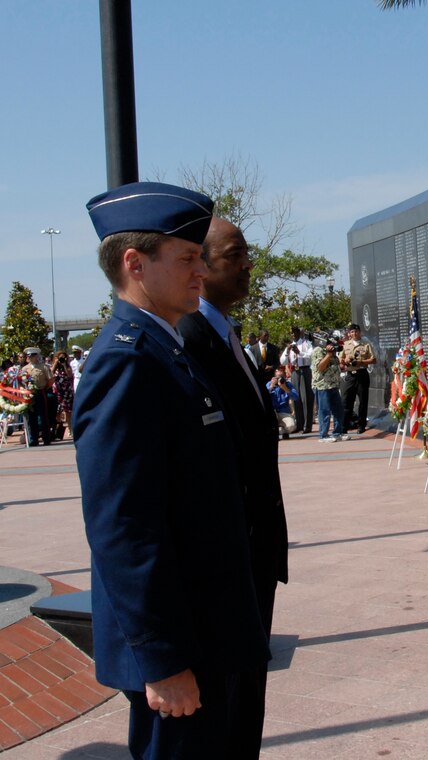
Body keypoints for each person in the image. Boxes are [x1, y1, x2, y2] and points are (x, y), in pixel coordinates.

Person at [76, 181, 268, 758]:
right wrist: (161, 660)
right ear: (135, 264)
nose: (200, 272)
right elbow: (123, 527)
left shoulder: (167, 350)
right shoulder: (126, 363)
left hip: (211, 630)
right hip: (182, 648)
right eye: (186, 259)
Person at [176, 216, 289, 756]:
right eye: (235, 253)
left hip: (253, 556)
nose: (248, 264)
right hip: (227, 561)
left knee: (247, 711)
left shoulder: (225, 331)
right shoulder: (190, 340)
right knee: (225, 718)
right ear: (200, 265)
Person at [339, 323, 375, 433]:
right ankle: (344, 426)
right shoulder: (346, 344)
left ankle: (361, 425)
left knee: (363, 401)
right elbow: (340, 361)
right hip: (350, 375)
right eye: (351, 332)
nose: (354, 333)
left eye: (356, 331)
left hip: (362, 373)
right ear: (349, 333)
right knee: (346, 401)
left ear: (360, 332)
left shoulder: (366, 344)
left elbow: (373, 360)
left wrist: (360, 362)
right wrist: (345, 361)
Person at [279, 326, 313, 433]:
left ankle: (307, 425)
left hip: (305, 371)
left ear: (299, 333)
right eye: (291, 334)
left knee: (306, 398)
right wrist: (287, 352)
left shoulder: (306, 343)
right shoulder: (289, 346)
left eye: (295, 333)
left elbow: (310, 356)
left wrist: (299, 352)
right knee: (296, 397)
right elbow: (283, 362)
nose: (293, 335)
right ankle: (299, 424)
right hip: (294, 372)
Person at [312, 338, 345, 442]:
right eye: (333, 345)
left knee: (338, 410)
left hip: (334, 385)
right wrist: (328, 354)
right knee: (324, 411)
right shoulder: (318, 350)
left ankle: (337, 433)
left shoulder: (334, 353)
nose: (334, 348)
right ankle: (323, 435)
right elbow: (320, 367)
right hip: (323, 386)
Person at [19, 347, 53, 446]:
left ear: (36, 356)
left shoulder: (43, 367)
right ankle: (33, 439)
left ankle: (46, 438)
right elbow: (20, 381)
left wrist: (45, 388)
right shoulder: (25, 369)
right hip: (29, 394)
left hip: (40, 391)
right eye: (29, 356)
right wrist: (24, 391)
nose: (30, 357)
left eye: (32, 355)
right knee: (31, 416)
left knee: (43, 416)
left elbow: (50, 380)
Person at [266, 367, 300, 439]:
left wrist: (284, 388)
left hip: (284, 412)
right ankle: (275, 431)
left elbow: (296, 397)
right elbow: (264, 397)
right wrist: (271, 386)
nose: (279, 379)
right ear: (274, 377)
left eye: (281, 377)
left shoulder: (288, 385)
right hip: (273, 412)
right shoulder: (269, 384)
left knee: (291, 426)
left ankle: (284, 431)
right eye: (277, 377)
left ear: (284, 377)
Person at [50, 351, 74, 440]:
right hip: (57, 391)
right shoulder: (55, 367)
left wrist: (64, 364)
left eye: (63, 357)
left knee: (68, 411)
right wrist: (56, 363)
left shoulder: (67, 366)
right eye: (60, 357)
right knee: (57, 412)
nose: (61, 359)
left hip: (66, 391)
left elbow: (70, 375)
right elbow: (50, 373)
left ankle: (70, 429)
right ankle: (57, 431)